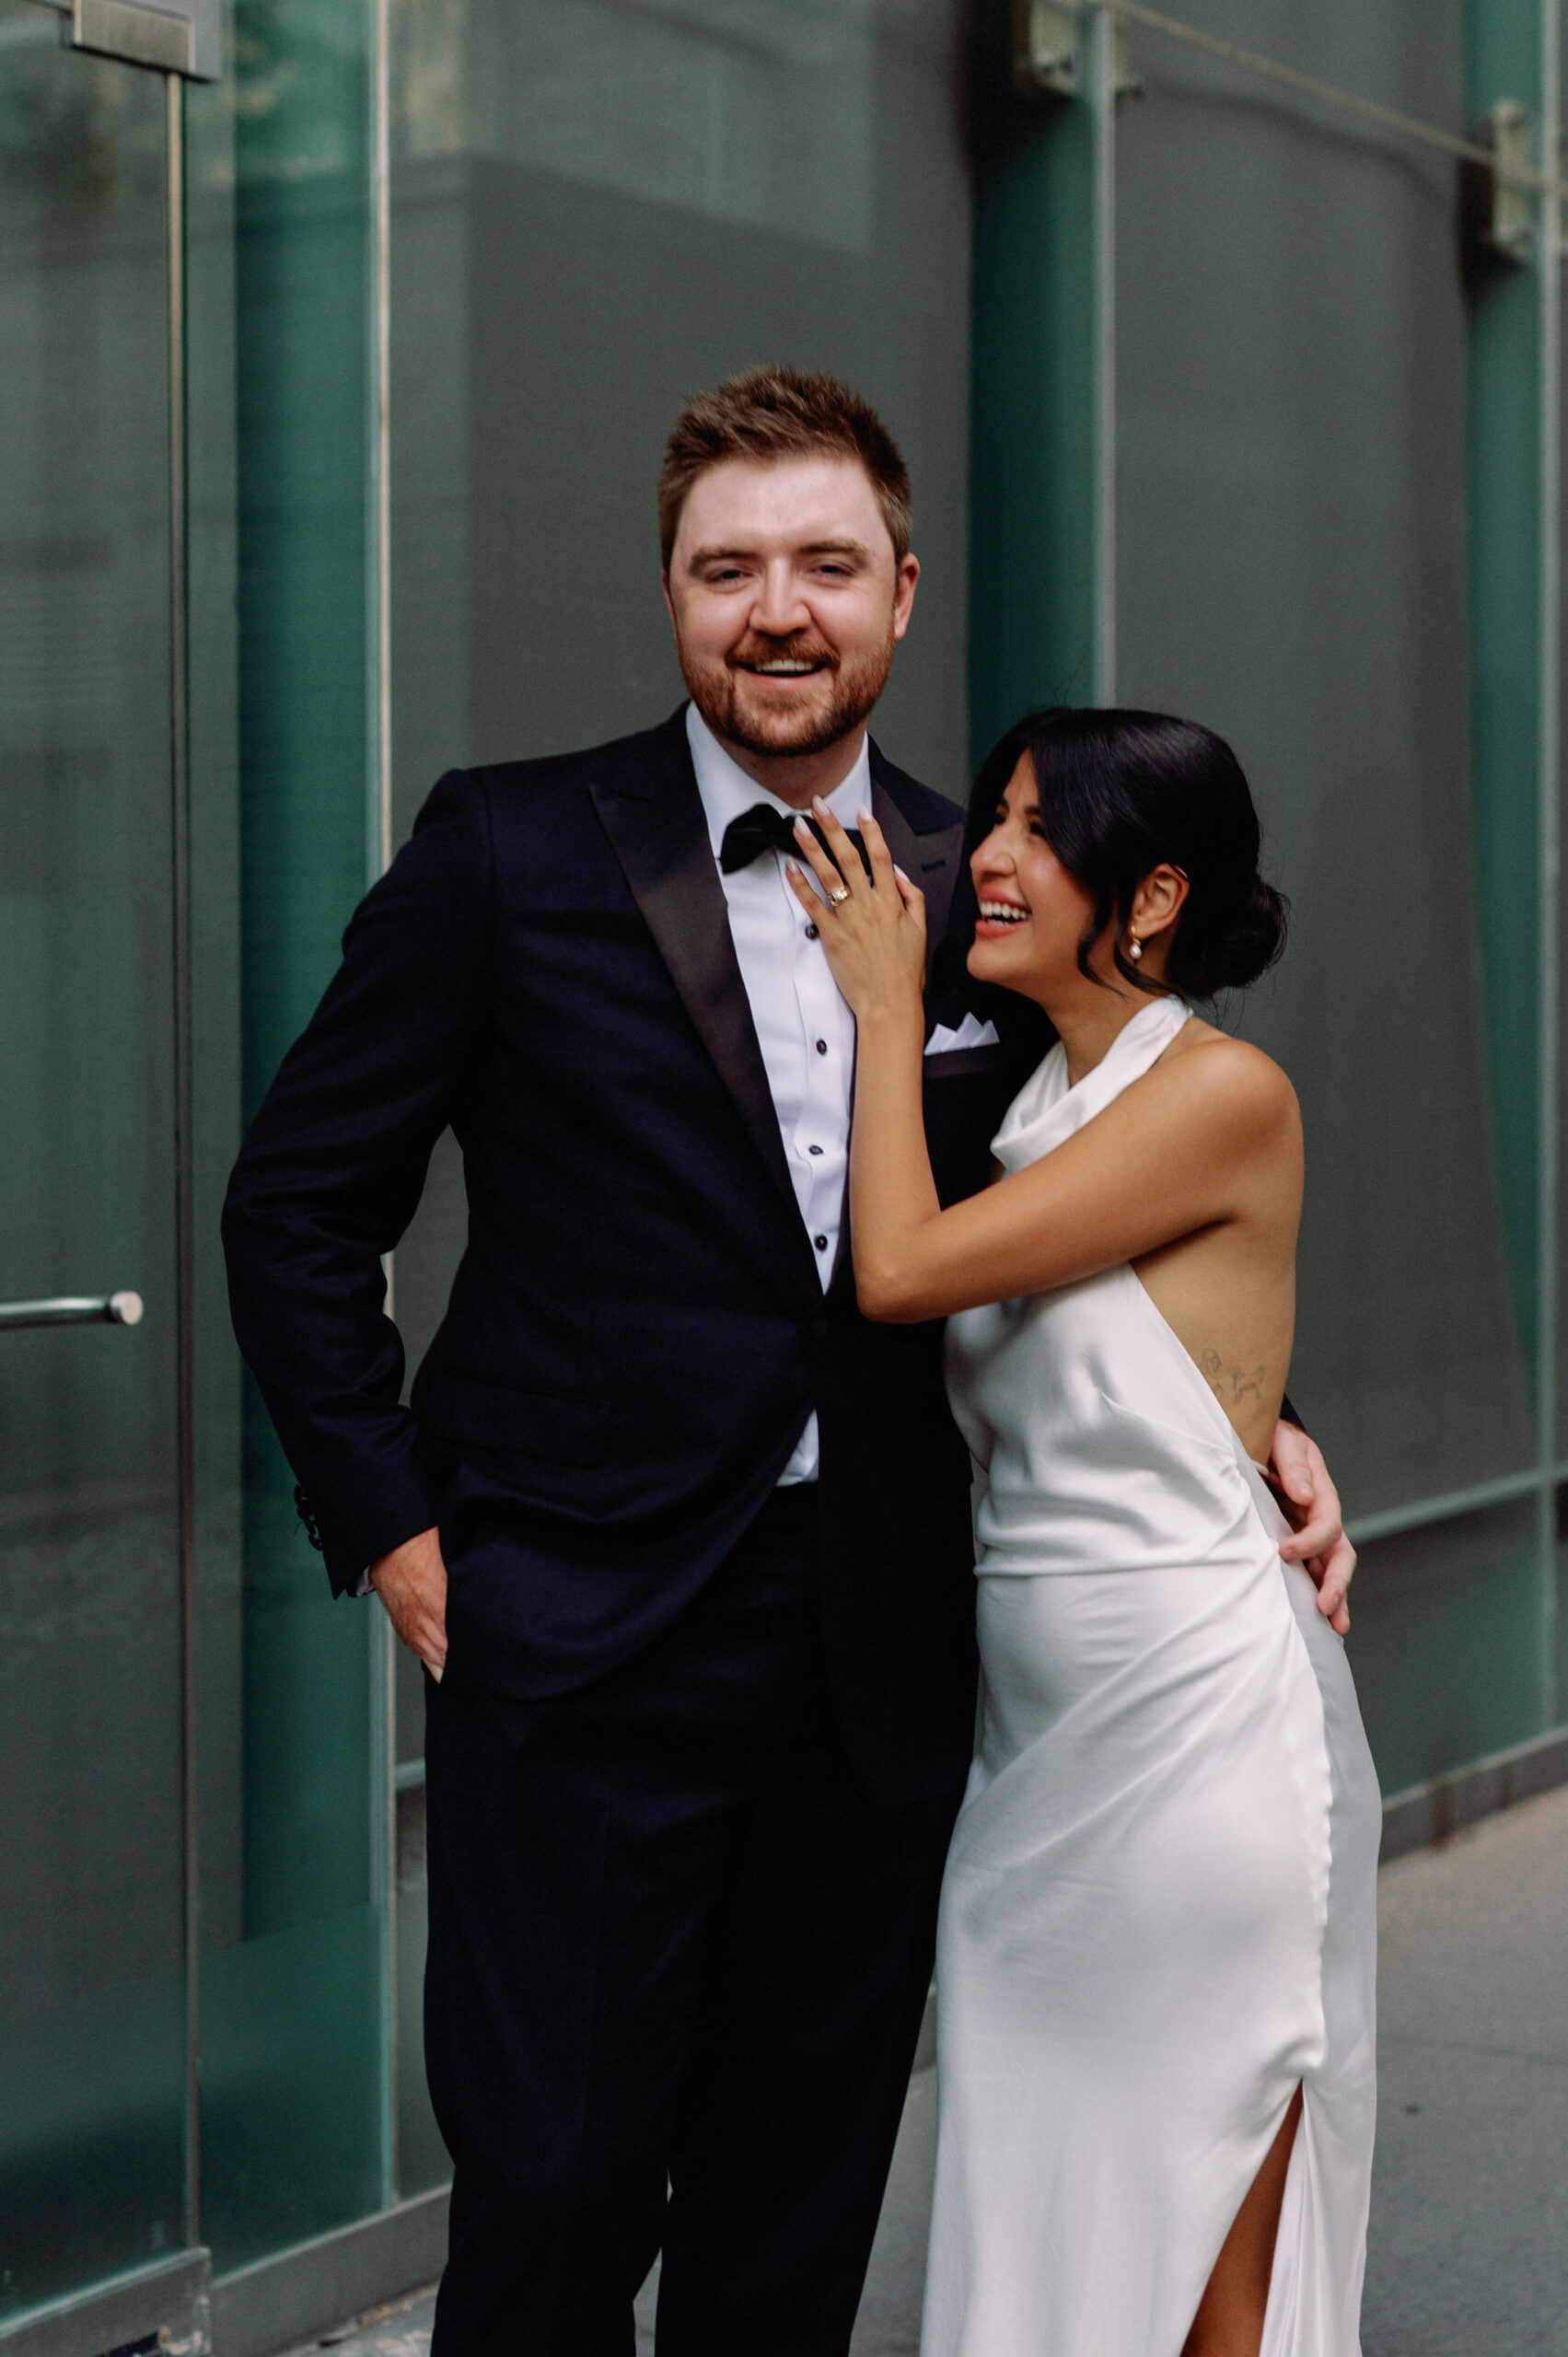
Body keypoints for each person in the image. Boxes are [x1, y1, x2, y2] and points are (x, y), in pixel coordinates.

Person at [221, 370, 1354, 2357]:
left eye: (826, 564)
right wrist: (388, 1515)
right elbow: (298, 1203)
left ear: (901, 593)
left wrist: (1258, 1427)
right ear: (669, 593)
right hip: (572, 1636)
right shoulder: (506, 849)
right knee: (555, 2192)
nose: (777, 608)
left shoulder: (997, 889)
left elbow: (1119, 1220)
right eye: (727, 566)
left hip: (883, 1660)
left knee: (792, 2214)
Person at [786, 706, 1378, 2357]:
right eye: (995, 817)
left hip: (1201, 1752)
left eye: (1038, 831)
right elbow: (1153, 1354)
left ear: (1153, 893)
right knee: (1044, 2229)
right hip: (1033, 1770)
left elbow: (901, 1274)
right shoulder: (1035, 1101)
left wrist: (883, 1001)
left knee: (1202, 2282)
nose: (984, 854)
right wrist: (1278, 1425)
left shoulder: (1228, 1094)